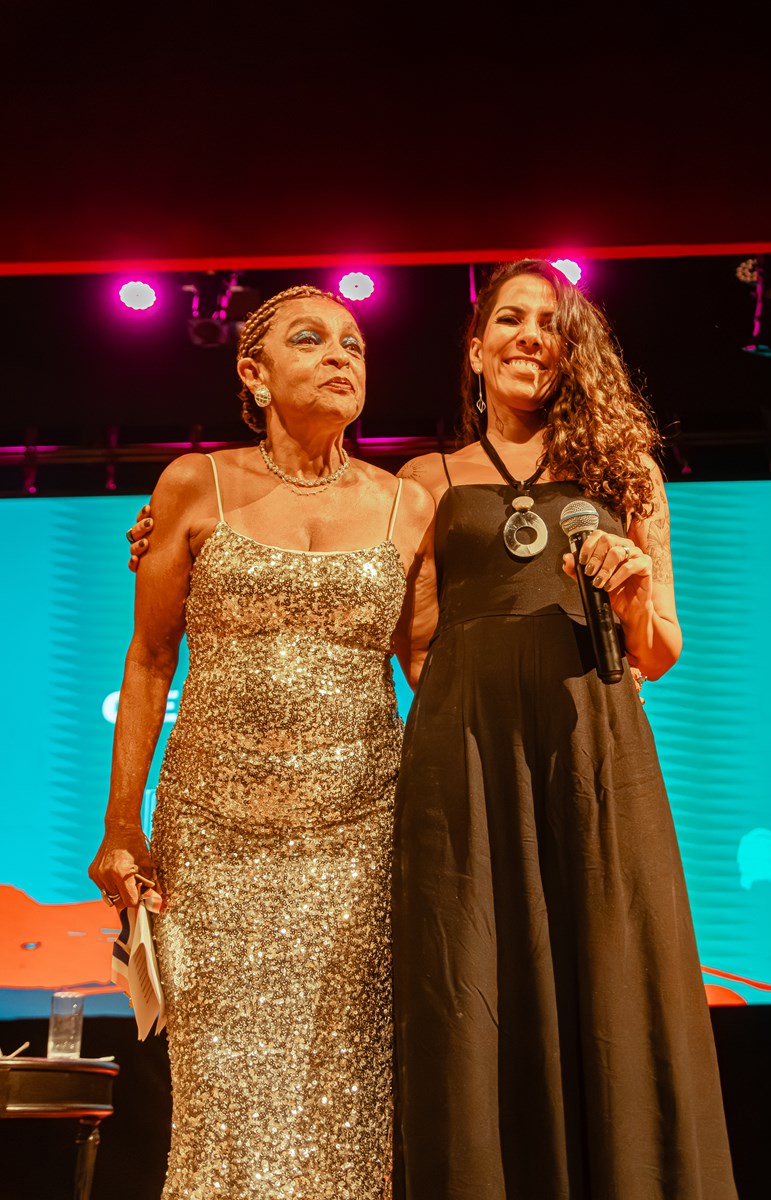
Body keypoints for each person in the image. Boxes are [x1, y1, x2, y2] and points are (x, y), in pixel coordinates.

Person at [128, 261, 738, 1198]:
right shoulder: (421, 482)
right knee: (461, 995)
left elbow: (652, 651)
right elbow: (400, 637)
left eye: (552, 323)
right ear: (476, 348)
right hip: (439, 772)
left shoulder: (614, 476)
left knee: (602, 987)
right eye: (511, 319)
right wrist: (166, 535)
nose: (531, 336)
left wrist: (629, 596)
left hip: (563, 764)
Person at [89, 284, 435, 1200]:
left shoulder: (407, 506)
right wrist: (122, 826)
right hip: (213, 841)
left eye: (354, 344)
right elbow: (150, 659)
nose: (340, 355)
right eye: (310, 339)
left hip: (359, 842)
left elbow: (437, 676)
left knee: (344, 1105)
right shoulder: (192, 484)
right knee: (224, 1109)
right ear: (254, 372)